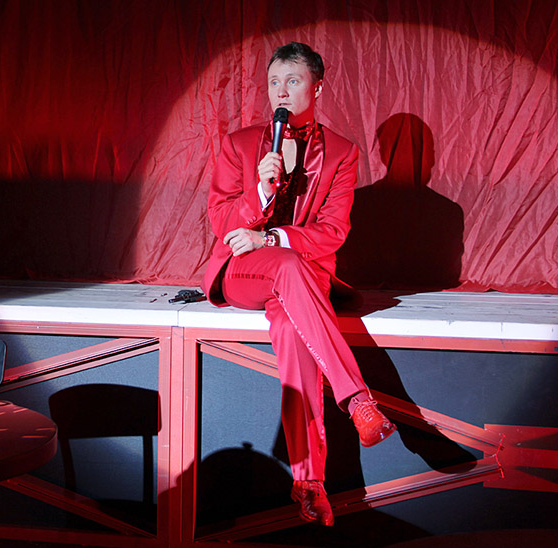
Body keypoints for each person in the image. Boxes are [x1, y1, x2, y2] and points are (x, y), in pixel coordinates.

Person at [202, 42, 397, 527]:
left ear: (317, 88)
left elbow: (333, 231)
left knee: (292, 329)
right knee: (287, 266)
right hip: (244, 272)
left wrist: (271, 236)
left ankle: (309, 482)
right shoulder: (240, 144)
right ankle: (358, 400)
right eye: (274, 82)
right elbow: (220, 221)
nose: (281, 91)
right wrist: (260, 191)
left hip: (300, 278)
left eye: (292, 81)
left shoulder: (342, 154)